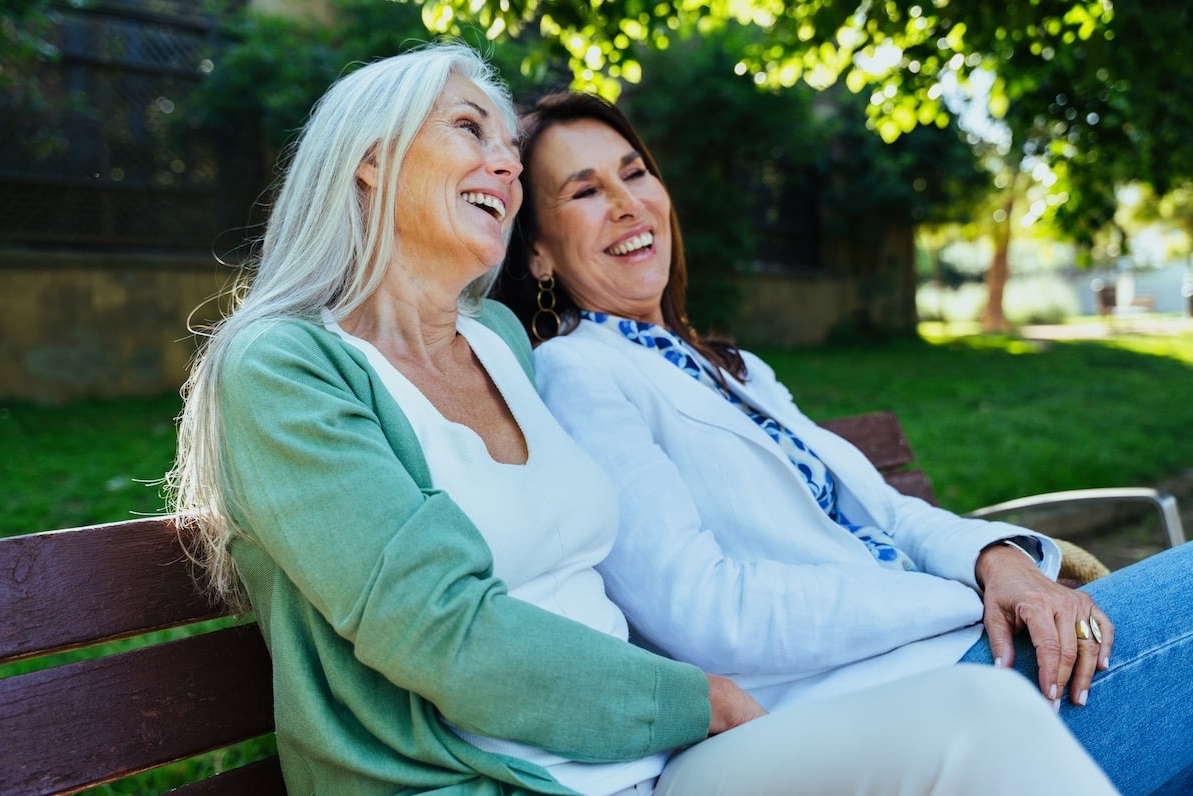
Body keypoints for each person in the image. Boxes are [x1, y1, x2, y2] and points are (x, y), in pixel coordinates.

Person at [167, 44, 1118, 795]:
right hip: (495, 781)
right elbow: (442, 633)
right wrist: (687, 699)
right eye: (470, 128)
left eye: (507, 144)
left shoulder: (499, 340)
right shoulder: (285, 368)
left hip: (656, 768)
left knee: (981, 722)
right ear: (368, 163)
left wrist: (990, 557)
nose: (502, 159)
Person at [497, 89, 1193, 796]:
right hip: (860, 704)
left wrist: (997, 562)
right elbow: (700, 608)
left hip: (945, 653)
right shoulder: (577, 371)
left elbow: (885, 512)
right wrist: (949, 599)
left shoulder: (731, 368)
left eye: (635, 173)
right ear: (541, 253)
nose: (626, 203)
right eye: (585, 191)